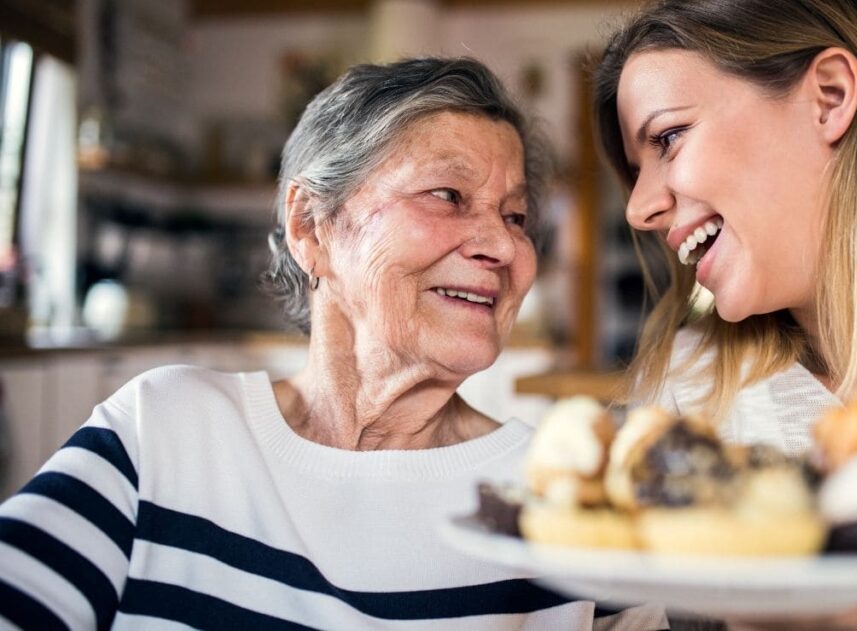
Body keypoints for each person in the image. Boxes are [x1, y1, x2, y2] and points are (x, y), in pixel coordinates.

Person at [0, 57, 667, 630]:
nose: (502, 245)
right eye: (448, 194)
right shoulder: (166, 431)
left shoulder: (560, 494)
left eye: (516, 215)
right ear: (311, 226)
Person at [593, 0, 857, 628]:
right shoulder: (688, 400)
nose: (638, 209)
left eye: (668, 137)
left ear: (829, 96)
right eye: (636, 170)